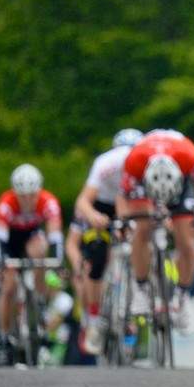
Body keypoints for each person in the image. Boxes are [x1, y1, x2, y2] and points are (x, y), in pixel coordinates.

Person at [117, 129, 194, 332]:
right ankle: (141, 287)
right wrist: (124, 222)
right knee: (141, 230)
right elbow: (122, 197)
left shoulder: (190, 156)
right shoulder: (135, 160)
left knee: (187, 240)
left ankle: (182, 295)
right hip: (145, 186)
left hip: (180, 187)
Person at [65, 127, 143, 355]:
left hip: (130, 204)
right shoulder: (105, 163)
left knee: (140, 242)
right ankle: (94, 317)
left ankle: (132, 307)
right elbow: (82, 202)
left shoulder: (144, 164)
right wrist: (93, 216)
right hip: (101, 206)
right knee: (98, 252)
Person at [0, 163, 63, 365]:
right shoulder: (6, 203)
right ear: (15, 192)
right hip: (10, 242)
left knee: (40, 251)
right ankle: (4, 337)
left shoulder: (48, 201)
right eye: (22, 196)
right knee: (9, 286)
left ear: (38, 191)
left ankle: (39, 300)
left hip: (32, 237)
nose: (27, 200)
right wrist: (2, 263)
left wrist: (57, 261)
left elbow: (55, 236)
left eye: (32, 195)